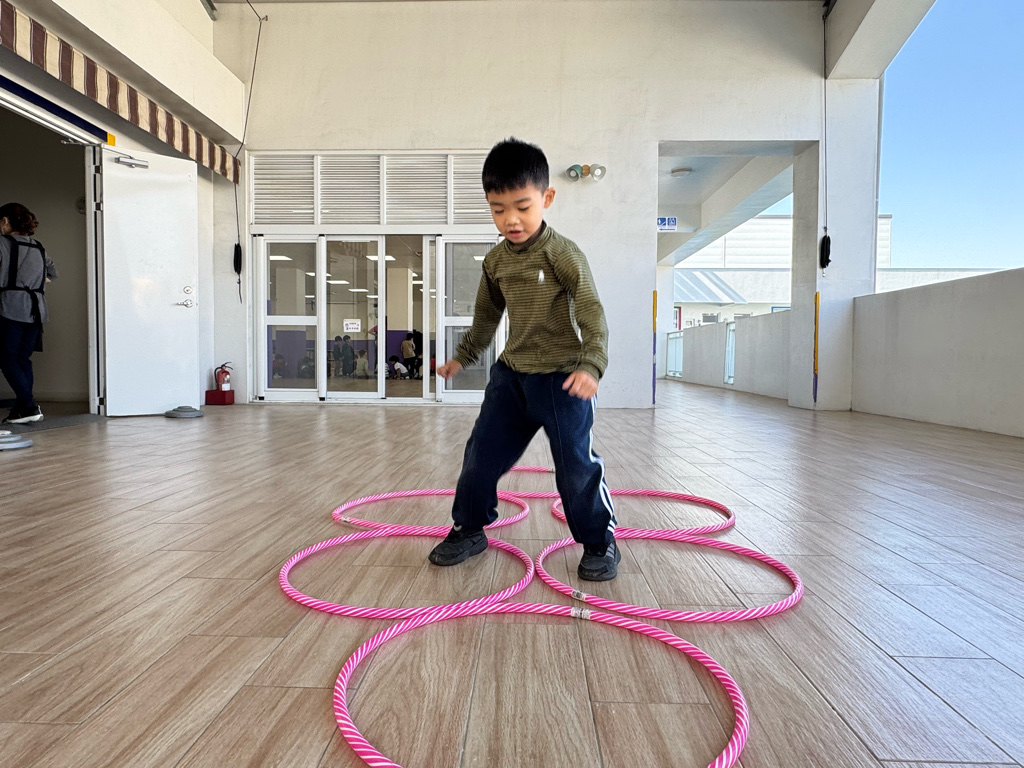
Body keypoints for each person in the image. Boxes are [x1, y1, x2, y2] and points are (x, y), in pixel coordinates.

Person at [429, 138, 617, 581]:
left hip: (562, 379)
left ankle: (599, 541)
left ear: (546, 198)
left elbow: (591, 311)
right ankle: (469, 529)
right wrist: (461, 357)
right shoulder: (495, 261)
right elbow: (485, 318)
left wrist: (591, 365)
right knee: (479, 456)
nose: (510, 219)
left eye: (522, 206)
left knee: (575, 467)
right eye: (498, 209)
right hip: (511, 378)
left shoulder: (562, 253)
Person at [0, 203, 57, 425]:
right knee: (22, 358)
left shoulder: (2, 243)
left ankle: (29, 405)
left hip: (10, 308)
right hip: (36, 310)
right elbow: (52, 274)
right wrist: (31, 283)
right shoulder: (38, 247)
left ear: (5, 221)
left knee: (7, 358)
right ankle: (22, 410)